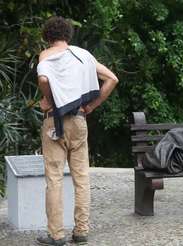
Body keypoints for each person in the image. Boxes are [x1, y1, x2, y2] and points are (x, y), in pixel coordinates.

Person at [36, 16, 119, 246]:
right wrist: (91, 106)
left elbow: (43, 78)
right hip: (80, 121)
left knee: (54, 179)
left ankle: (56, 235)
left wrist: (49, 98)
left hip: (55, 121)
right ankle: (81, 231)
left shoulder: (47, 55)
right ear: (68, 35)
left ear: (48, 36)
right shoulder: (84, 55)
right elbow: (112, 78)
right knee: (81, 178)